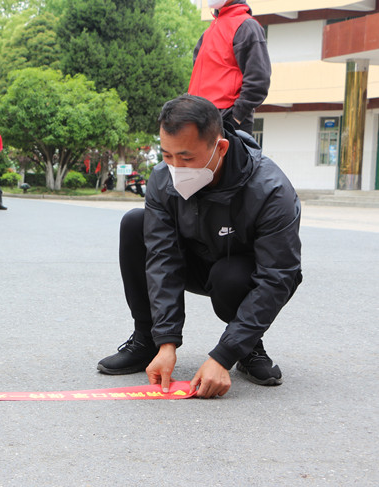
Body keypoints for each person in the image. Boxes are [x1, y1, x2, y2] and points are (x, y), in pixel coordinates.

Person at [97, 94, 302, 399]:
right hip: (192, 260)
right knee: (134, 225)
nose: (177, 168)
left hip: (237, 269)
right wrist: (166, 340)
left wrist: (223, 355)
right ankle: (147, 342)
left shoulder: (270, 189)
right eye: (167, 156)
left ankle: (247, 346)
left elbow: (278, 275)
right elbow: (162, 257)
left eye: (187, 158)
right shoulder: (162, 180)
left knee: (230, 276)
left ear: (220, 148)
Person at [188, 0, 271, 135]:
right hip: (199, 120)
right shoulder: (209, 32)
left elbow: (259, 79)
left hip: (226, 121)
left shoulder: (246, 26)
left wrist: (236, 118)